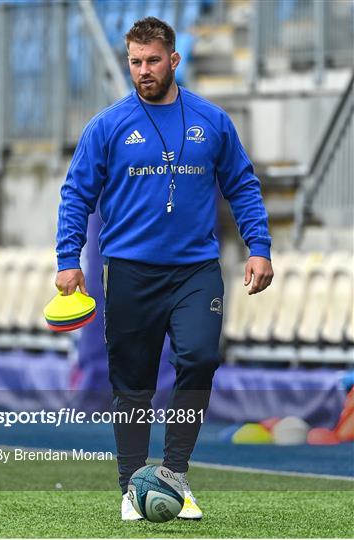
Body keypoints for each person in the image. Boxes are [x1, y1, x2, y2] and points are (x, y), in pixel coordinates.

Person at [55, 17, 273, 521]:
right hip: (129, 270)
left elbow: (242, 184)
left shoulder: (212, 121)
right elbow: (76, 195)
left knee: (198, 359)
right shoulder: (107, 126)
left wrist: (258, 246)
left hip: (195, 269)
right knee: (132, 382)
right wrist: (68, 260)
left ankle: (174, 476)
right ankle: (132, 486)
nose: (143, 70)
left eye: (153, 60)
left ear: (174, 59)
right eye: (135, 61)